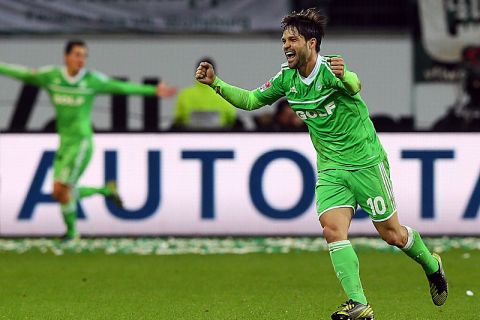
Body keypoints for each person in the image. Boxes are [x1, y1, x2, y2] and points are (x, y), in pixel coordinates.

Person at [195, 8, 448, 320]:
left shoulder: (332, 70)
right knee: (332, 230)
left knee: (392, 235)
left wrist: (345, 75)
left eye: (293, 39)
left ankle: (431, 264)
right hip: (331, 168)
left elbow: (355, 86)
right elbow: (250, 100)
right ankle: (359, 304)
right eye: (283, 40)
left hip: (366, 163)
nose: (286, 45)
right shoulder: (286, 79)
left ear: (311, 44)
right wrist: (215, 83)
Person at [0, 39, 176, 240]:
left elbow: (120, 87)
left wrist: (152, 91)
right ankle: (104, 190)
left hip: (82, 142)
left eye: (84, 56)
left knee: (62, 189)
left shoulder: (92, 80)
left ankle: (73, 234)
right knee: (59, 193)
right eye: (77, 55)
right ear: (66, 57)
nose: (81, 59)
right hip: (64, 143)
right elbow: (21, 73)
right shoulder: (51, 77)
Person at [171, 57, 241, 131]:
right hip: (218, 139)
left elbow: (178, 119)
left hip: (191, 139)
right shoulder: (224, 94)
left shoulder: (185, 95)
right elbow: (232, 118)